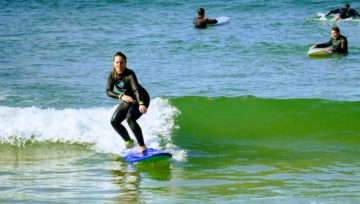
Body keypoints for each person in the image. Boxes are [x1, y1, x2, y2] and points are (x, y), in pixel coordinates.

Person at [106, 51, 150, 153]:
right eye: (117, 62)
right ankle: (129, 141)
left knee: (130, 117)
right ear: (113, 63)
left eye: (121, 62)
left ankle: (142, 146)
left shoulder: (130, 74)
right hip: (129, 99)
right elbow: (108, 91)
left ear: (125, 63)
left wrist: (141, 104)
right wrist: (120, 96)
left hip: (141, 98)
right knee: (114, 121)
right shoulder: (112, 75)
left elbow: (136, 90)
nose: (119, 65)